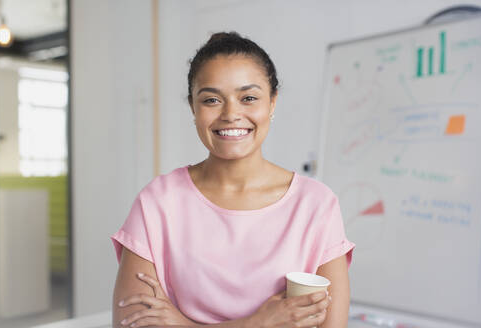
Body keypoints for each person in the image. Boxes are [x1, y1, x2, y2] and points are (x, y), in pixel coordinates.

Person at [111, 31, 355, 328]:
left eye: (248, 98)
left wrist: (183, 324)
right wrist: (260, 323)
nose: (231, 114)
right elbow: (133, 324)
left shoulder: (316, 205)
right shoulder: (158, 203)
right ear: (193, 107)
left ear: (273, 102)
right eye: (211, 100)